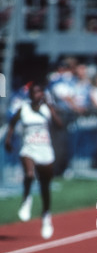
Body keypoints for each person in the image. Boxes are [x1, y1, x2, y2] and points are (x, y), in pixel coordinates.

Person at [5, 82, 63, 239]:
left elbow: (60, 125)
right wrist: (8, 140)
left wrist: (50, 108)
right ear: (30, 95)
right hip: (28, 148)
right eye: (34, 92)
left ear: (43, 94)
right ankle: (26, 199)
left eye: (39, 92)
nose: (37, 95)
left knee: (45, 186)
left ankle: (46, 216)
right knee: (29, 174)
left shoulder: (46, 109)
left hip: (45, 150)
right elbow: (12, 123)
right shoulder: (23, 109)